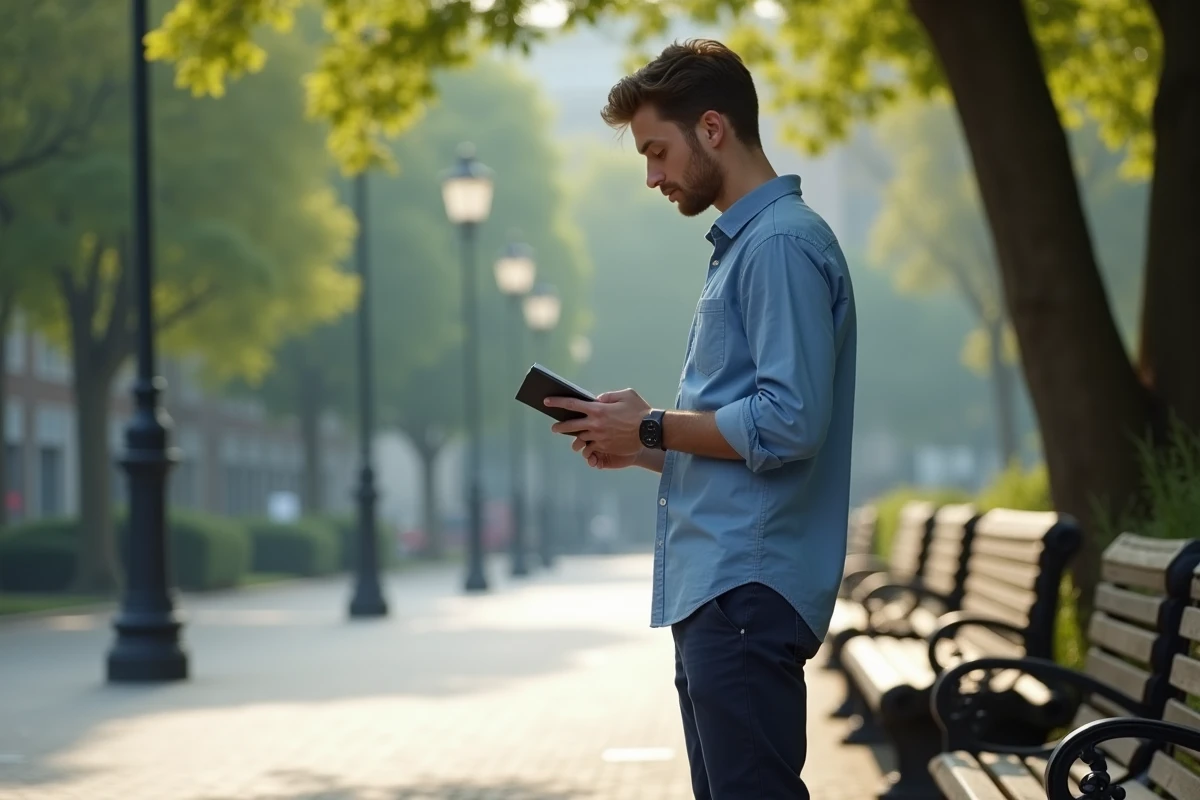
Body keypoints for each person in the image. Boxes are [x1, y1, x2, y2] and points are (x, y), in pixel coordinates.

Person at [544, 38, 857, 800]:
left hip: (744, 590)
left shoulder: (778, 246)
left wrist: (653, 427)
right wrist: (638, 444)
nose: (651, 176)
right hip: (724, 590)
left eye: (657, 151)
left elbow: (787, 424)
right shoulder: (748, 247)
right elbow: (748, 439)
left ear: (712, 128)